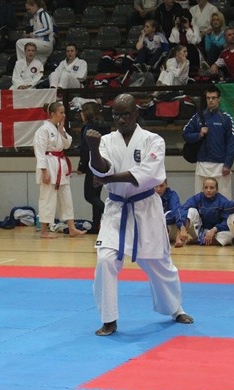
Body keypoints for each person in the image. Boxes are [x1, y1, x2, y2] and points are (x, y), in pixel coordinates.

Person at [86, 93, 193, 336]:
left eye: (126, 114)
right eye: (116, 115)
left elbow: (148, 173)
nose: (121, 119)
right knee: (105, 260)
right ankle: (109, 318)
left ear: (136, 113)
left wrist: (107, 179)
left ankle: (175, 308)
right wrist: (92, 149)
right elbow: (102, 168)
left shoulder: (153, 140)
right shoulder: (106, 141)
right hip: (116, 209)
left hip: (146, 208)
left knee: (159, 264)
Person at [34, 101, 86, 239]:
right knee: (47, 198)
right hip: (49, 165)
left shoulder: (58, 129)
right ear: (52, 114)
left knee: (66, 197)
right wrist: (44, 171)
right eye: (61, 112)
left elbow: (67, 145)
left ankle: (72, 228)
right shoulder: (43, 130)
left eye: (64, 112)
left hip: (60, 166)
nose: (64, 115)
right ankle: (44, 230)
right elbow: (39, 152)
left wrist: (62, 130)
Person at [182, 86, 234, 199]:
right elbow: (185, 134)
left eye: (213, 98)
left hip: (221, 165)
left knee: (224, 199)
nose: (210, 100)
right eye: (208, 98)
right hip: (202, 163)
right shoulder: (198, 117)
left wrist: (228, 164)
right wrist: (199, 135)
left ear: (219, 99)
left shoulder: (226, 118)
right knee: (200, 198)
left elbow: (231, 144)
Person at [76, 102, 110, 235]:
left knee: (89, 195)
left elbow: (86, 149)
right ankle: (96, 224)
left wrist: (82, 166)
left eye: (82, 111)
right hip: (103, 163)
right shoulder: (105, 126)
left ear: (87, 113)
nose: (80, 114)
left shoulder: (88, 128)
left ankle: (110, 213)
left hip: (92, 164)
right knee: (96, 195)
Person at [178, 177, 233, 246]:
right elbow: (183, 209)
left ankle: (201, 240)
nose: (208, 190)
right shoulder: (197, 198)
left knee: (230, 235)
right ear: (203, 189)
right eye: (206, 187)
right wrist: (182, 227)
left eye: (212, 188)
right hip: (201, 230)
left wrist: (214, 229)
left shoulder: (223, 201)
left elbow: (228, 220)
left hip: (217, 231)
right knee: (191, 210)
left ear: (217, 190)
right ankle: (203, 239)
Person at [154, 179, 184, 247]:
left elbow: (176, 212)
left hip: (170, 227)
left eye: (161, 186)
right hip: (155, 227)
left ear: (166, 185)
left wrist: (161, 220)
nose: (159, 189)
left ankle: (178, 237)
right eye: (156, 186)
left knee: (182, 212)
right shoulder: (149, 196)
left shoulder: (172, 195)